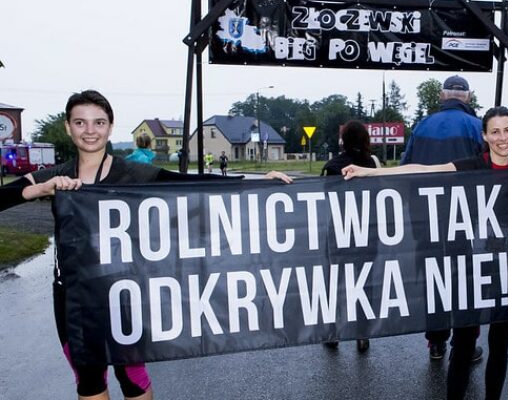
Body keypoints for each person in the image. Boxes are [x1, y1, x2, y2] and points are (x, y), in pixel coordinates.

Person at [0, 90, 292, 400]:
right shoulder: (56, 175)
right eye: (80, 122)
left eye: (99, 122)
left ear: (110, 127)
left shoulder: (133, 173)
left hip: (123, 292)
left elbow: (197, 185)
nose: (90, 131)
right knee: (88, 380)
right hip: (73, 297)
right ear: (68, 127)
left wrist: (261, 181)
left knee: (131, 376)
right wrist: (41, 188)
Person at [343, 106, 508, 400]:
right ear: (485, 136)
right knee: (462, 346)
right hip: (471, 273)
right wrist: (370, 171)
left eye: (507, 130)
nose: (502, 138)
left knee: (500, 347)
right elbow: (424, 170)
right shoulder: (471, 167)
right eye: (495, 132)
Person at [401, 74, 484, 361]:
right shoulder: (477, 127)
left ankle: (435, 341)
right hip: (464, 215)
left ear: (441, 96)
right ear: (468, 98)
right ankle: (466, 344)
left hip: (425, 217)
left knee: (433, 277)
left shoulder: (422, 125)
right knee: (464, 279)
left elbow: (405, 169)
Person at [319, 120, 375, 352]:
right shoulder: (370, 163)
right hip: (365, 231)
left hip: (339, 231)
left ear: (344, 140)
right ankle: (362, 334)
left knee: (334, 282)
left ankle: (332, 332)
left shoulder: (332, 165)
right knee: (364, 282)